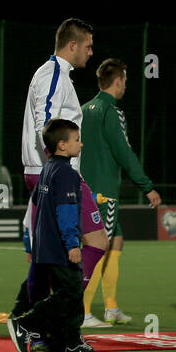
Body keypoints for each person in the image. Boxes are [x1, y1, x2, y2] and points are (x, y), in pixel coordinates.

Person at [15, 18, 109, 324]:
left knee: (48, 253)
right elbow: (47, 122)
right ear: (73, 45)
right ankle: (56, 317)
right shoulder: (54, 74)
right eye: (88, 46)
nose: (91, 52)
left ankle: (23, 313)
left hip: (42, 170)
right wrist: (57, 168)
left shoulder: (51, 73)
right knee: (97, 242)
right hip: (54, 171)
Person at [7, 119, 105, 352]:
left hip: (45, 244)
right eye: (76, 139)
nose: (80, 144)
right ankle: (25, 325)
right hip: (61, 246)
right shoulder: (68, 174)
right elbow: (66, 210)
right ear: (62, 145)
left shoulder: (48, 169)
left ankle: (70, 344)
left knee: (68, 293)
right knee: (70, 293)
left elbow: (39, 207)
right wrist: (72, 243)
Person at [80, 58, 162, 327]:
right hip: (105, 191)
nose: (126, 85)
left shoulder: (83, 110)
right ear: (117, 81)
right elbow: (123, 152)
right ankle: (83, 312)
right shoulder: (111, 111)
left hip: (86, 188)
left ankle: (111, 307)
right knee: (97, 247)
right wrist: (146, 186)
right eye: (125, 80)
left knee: (116, 241)